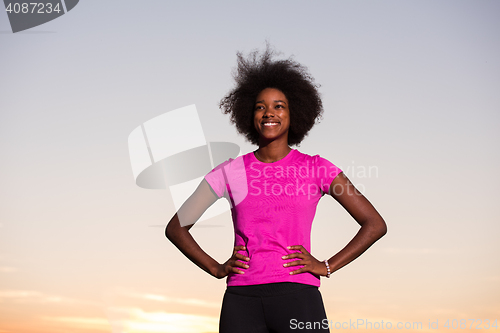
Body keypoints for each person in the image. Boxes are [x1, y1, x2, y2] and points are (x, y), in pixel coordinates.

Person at [165, 46, 387, 333]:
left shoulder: (316, 168)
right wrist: (216, 268)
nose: (269, 113)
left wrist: (327, 265)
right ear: (250, 114)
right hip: (241, 301)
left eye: (278, 106)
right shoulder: (230, 172)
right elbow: (176, 228)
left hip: (299, 297)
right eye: (260, 106)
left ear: (294, 113)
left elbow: (375, 224)